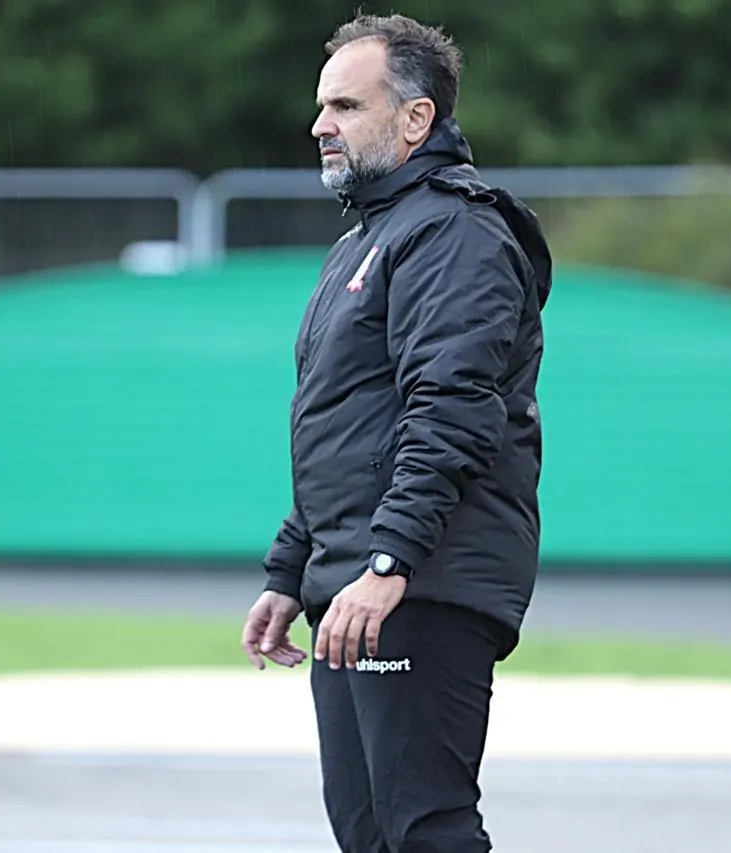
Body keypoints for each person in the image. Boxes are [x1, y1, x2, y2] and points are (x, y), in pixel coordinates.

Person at [240, 12, 552, 852]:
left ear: (417, 118)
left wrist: (391, 564)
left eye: (345, 105)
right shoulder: (367, 239)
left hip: (419, 581)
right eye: (322, 105)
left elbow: (451, 412)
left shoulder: (455, 230)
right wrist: (291, 568)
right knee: (370, 834)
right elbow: (345, 430)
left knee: (424, 830)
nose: (321, 125)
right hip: (356, 580)